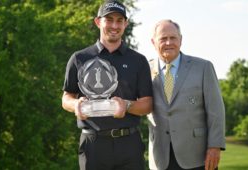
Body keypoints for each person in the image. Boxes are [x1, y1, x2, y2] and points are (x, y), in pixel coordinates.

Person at [61, 1, 153, 169]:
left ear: (126, 24)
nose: (114, 25)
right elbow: (67, 97)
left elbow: (147, 104)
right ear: (98, 22)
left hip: (129, 144)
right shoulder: (79, 58)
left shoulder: (138, 61)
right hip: (93, 144)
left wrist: (125, 105)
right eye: (109, 19)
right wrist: (76, 105)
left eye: (119, 20)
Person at [147, 19, 225, 170]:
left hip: (197, 156)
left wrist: (215, 146)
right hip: (160, 158)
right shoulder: (144, 69)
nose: (169, 42)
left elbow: (216, 111)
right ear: (153, 42)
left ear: (181, 40)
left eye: (173, 38)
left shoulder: (203, 67)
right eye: (163, 38)